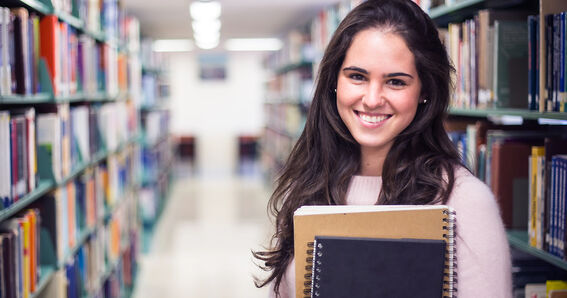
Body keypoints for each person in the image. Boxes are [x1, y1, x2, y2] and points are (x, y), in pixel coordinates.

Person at [253, 0, 512, 297]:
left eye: (396, 82)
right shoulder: (305, 185)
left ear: (424, 91)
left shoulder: (464, 201)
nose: (373, 99)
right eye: (357, 77)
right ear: (334, 81)